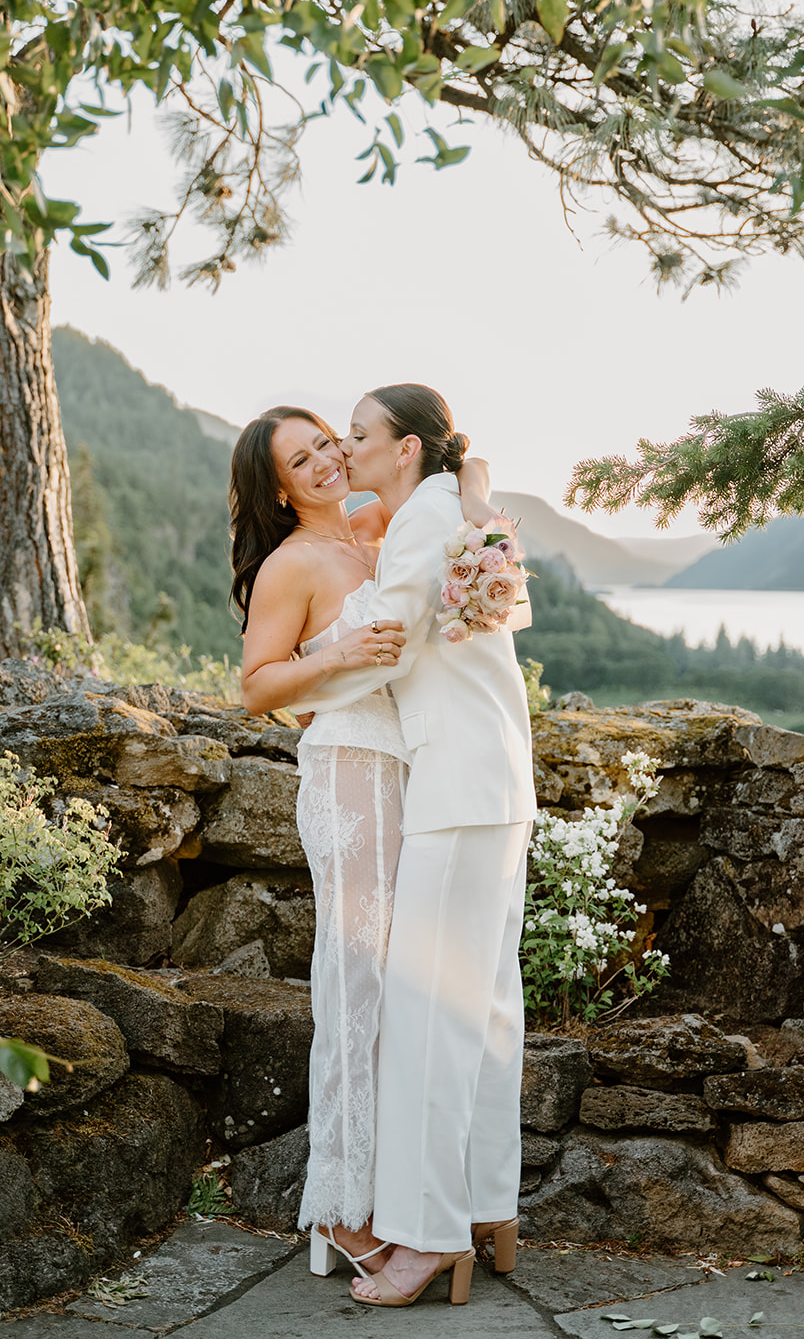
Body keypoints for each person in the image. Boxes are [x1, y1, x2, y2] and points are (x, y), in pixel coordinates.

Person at [231, 406, 496, 1285]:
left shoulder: (372, 536)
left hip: (410, 767)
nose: (321, 463)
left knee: (399, 992)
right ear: (276, 485)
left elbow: (446, 574)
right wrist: (334, 652)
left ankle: (388, 1194)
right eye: (298, 459)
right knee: (354, 983)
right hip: (348, 769)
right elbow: (258, 689)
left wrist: (476, 488)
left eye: (325, 445)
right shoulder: (292, 562)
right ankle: (343, 1212)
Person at [294, 384, 536, 1311]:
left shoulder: (414, 523)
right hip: (496, 783)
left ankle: (429, 1237)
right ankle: (488, 1214)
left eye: (358, 436)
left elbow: (388, 649)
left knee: (429, 1014)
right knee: (488, 1007)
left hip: (449, 788)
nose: (345, 451)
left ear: (404, 451)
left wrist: (307, 666)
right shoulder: (450, 509)